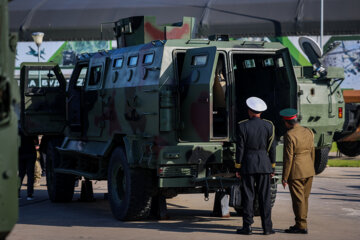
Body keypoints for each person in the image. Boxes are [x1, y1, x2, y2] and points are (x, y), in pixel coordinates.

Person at [235, 97, 276, 235]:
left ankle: (247, 227)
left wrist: (238, 166)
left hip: (248, 164)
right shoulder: (269, 125)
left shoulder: (242, 126)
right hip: (264, 165)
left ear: (249, 111)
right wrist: (272, 167)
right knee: (265, 197)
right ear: (260, 112)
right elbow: (272, 148)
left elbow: (240, 149)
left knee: (248, 197)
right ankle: (267, 228)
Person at [280, 108, 315, 234]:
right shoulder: (308, 131)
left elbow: (288, 158)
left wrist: (285, 177)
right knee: (304, 199)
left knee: (298, 200)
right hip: (309, 169)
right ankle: (301, 222)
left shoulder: (289, 135)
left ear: (286, 122)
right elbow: (312, 151)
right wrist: (312, 168)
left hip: (297, 171)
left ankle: (301, 225)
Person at [18, 126, 38, 200]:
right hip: (31, 153)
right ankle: (29, 194)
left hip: (20, 154)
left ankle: (17, 194)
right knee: (30, 174)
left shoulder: (17, 131)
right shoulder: (31, 130)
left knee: (21, 174)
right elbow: (36, 142)